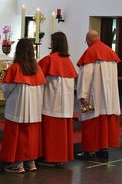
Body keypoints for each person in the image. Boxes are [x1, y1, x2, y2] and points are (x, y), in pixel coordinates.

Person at [0, 38, 46, 173]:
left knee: (16, 135)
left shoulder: (15, 68)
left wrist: (4, 92)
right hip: (34, 108)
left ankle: (17, 164)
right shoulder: (37, 68)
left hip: (17, 107)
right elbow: (41, 88)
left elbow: (7, 87)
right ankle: (31, 163)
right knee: (30, 136)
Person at [76, 30, 121, 159]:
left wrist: (83, 95)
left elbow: (86, 76)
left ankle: (89, 151)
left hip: (94, 95)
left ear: (88, 40)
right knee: (105, 123)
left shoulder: (90, 52)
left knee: (92, 124)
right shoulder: (110, 52)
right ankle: (103, 149)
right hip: (108, 97)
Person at [38, 32, 77, 165]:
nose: (50, 44)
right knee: (61, 134)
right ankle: (61, 158)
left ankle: (51, 158)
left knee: (52, 133)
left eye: (51, 41)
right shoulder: (68, 61)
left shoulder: (49, 60)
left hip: (52, 102)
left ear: (55, 43)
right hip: (66, 105)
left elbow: (36, 76)